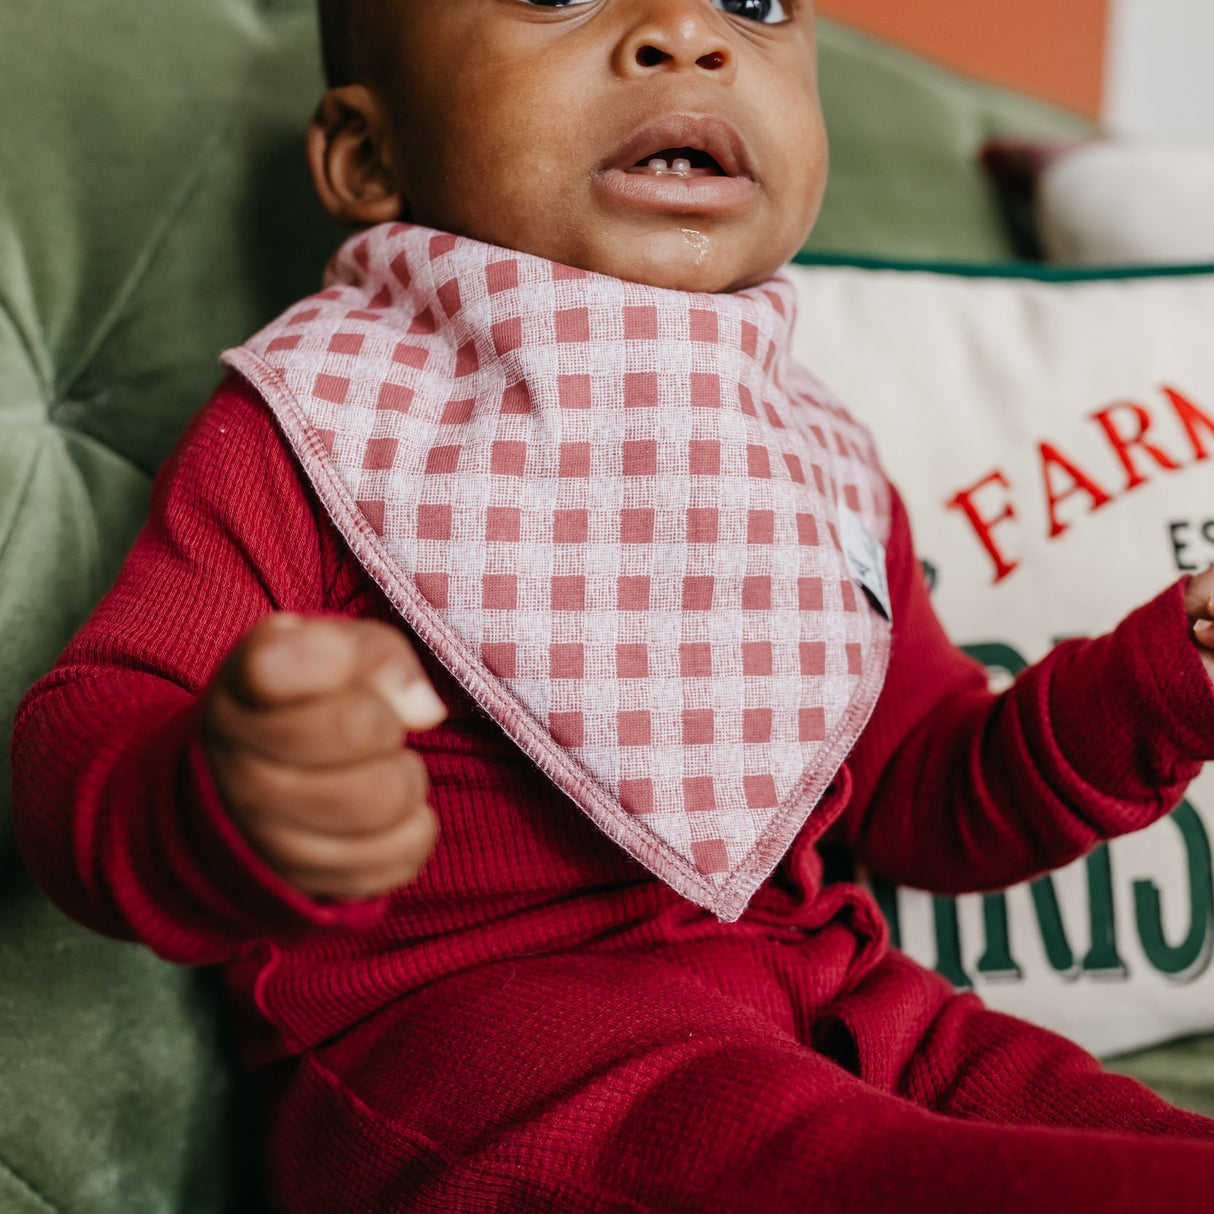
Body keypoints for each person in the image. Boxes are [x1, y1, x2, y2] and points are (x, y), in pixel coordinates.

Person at [12, 0, 1214, 1209]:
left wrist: (1171, 671)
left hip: (847, 995)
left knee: (1124, 1132)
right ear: (370, 155)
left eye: (749, 3)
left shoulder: (813, 449)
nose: (686, 33)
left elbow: (932, 794)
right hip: (493, 1059)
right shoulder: (321, 419)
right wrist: (225, 789)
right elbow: (94, 718)